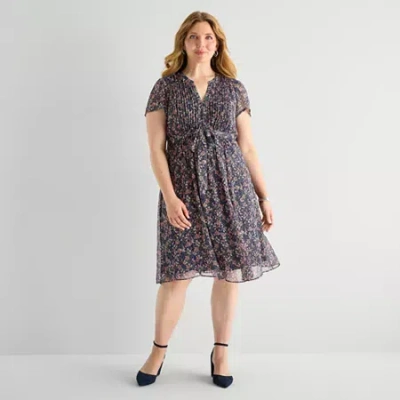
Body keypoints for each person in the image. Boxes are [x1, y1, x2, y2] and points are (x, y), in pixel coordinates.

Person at [136, 11, 280, 388]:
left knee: (229, 273)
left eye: (209, 38)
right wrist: (170, 197)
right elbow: (156, 149)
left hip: (231, 189)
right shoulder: (165, 87)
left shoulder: (233, 89)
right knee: (176, 276)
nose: (201, 44)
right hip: (183, 193)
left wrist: (263, 196)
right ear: (183, 42)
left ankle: (221, 352)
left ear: (218, 45)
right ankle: (158, 351)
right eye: (194, 37)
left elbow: (248, 148)